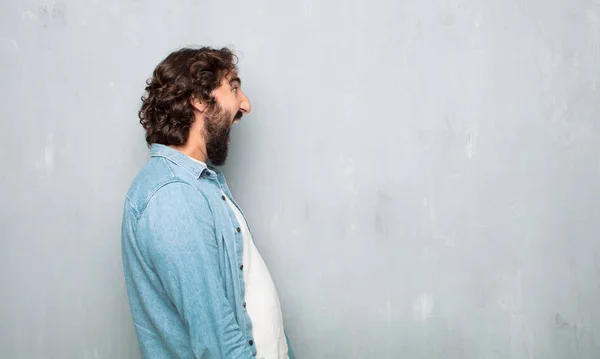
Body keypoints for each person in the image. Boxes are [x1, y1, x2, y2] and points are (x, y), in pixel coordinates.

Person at [121, 46, 294, 359]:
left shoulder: (200, 184)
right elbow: (215, 341)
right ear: (199, 99)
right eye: (233, 87)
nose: (246, 104)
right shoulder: (172, 195)